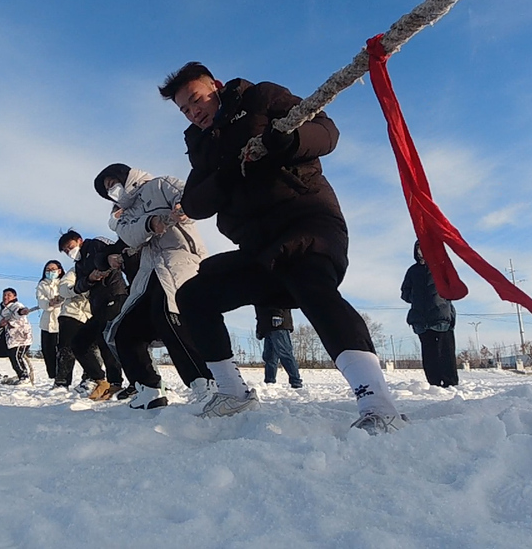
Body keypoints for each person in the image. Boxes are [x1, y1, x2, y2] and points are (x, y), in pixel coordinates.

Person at [162, 62, 403, 433]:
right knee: (195, 295)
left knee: (308, 280)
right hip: (260, 250)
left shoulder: (261, 97)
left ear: (217, 87)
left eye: (196, 100)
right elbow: (194, 204)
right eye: (185, 110)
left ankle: (376, 401)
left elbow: (327, 132)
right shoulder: (202, 146)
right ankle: (232, 392)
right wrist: (226, 175)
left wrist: (289, 141)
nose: (194, 113)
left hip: (308, 223)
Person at [95, 163, 214, 409]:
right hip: (149, 269)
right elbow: (129, 236)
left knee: (166, 314)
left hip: (180, 259)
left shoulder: (160, 185)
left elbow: (189, 197)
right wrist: (150, 223)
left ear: (124, 177)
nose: (112, 191)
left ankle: (204, 382)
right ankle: (148, 388)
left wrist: (182, 207)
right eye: (107, 190)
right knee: (123, 330)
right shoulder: (123, 215)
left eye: (112, 183)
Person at [58, 229, 128, 400]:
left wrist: (104, 268)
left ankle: (124, 382)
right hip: (96, 305)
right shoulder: (79, 265)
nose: (69, 252)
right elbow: (79, 285)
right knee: (79, 343)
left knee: (112, 341)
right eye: (66, 251)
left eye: (70, 246)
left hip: (115, 295)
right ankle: (101, 380)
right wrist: (89, 279)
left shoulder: (96, 244)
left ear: (79, 240)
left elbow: (116, 255)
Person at [401, 240, 459, 387]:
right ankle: (433, 384)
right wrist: (416, 298)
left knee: (445, 352)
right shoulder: (412, 271)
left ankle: (450, 383)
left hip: (441, 316)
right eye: (419, 249)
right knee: (429, 354)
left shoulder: (442, 268)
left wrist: (441, 298)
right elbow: (404, 293)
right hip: (421, 318)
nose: (422, 252)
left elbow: (454, 288)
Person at [51, 265, 92, 389]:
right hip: (71, 313)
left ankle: (90, 379)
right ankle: (62, 382)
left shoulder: (107, 268)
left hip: (92, 315)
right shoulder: (76, 269)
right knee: (66, 349)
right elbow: (63, 288)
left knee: (92, 349)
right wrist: (79, 288)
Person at [0, 288, 33, 384]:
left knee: (15, 355)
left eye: (9, 295)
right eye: (4, 295)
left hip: (19, 340)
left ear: (14, 297)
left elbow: (19, 312)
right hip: (4, 340)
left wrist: (22, 311)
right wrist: (0, 324)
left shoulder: (17, 306)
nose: (6, 297)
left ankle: (24, 377)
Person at [32, 260, 65, 380]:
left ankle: (63, 377)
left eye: (53, 269)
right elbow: (41, 301)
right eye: (48, 270)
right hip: (46, 322)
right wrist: (49, 302)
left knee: (62, 351)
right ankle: (53, 376)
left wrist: (57, 301)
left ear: (59, 271)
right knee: (47, 351)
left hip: (62, 319)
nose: (50, 272)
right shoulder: (42, 284)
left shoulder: (64, 282)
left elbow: (66, 296)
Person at [256, 306, 302, 389]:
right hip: (267, 326)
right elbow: (260, 309)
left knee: (284, 353)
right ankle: (269, 382)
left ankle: (296, 381)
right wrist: (259, 328)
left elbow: (279, 298)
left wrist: (278, 314)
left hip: (279, 325)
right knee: (269, 356)